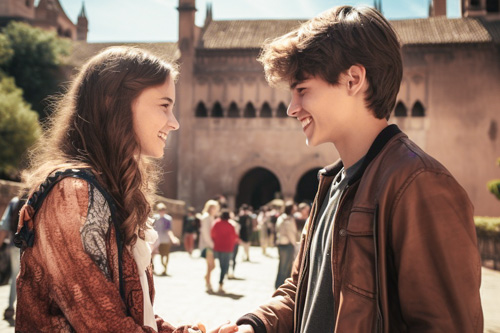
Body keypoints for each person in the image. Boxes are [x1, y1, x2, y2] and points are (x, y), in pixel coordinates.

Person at [230, 5, 483, 333]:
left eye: (302, 90)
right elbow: (304, 292)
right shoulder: (332, 184)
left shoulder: (419, 185)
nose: (292, 109)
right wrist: (256, 325)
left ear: (353, 80)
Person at [13, 46, 236, 333]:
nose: (175, 122)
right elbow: (103, 324)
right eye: (164, 105)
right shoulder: (72, 193)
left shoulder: (104, 190)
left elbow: (122, 311)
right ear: (115, 103)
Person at [0, 195, 26, 320]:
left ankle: (11, 307)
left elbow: (4, 226)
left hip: (14, 245)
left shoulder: (15, 202)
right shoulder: (38, 199)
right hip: (30, 247)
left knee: (15, 277)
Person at [211, 209, 238, 293]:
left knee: (220, 265)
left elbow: (212, 234)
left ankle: (220, 283)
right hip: (227, 248)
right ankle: (221, 283)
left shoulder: (216, 223)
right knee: (224, 266)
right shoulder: (231, 225)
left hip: (217, 247)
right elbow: (234, 237)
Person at [274, 201, 298, 290]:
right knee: (285, 266)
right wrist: (294, 244)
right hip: (287, 244)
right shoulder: (288, 219)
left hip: (281, 243)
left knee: (282, 265)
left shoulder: (281, 217)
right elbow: (290, 233)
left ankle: (279, 284)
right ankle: (281, 286)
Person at [198, 199, 220, 292]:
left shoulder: (210, 217)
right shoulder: (206, 217)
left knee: (211, 265)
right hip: (208, 245)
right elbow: (206, 233)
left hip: (210, 244)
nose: (214, 209)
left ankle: (207, 279)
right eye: (213, 208)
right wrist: (212, 244)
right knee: (211, 265)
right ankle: (208, 282)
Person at [153, 202, 179, 276]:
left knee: (166, 254)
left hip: (165, 239)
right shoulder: (155, 218)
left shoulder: (168, 219)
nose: (162, 212)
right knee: (157, 254)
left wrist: (173, 238)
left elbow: (169, 230)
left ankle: (165, 268)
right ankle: (154, 267)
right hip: (157, 239)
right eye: (160, 210)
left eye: (163, 210)